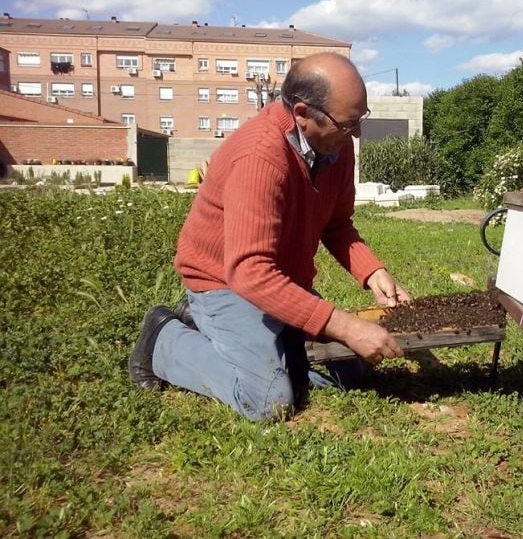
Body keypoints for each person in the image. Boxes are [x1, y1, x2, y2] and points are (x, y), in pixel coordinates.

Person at [129, 53, 410, 421]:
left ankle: (241, 339)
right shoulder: (259, 156)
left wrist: (372, 272)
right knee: (268, 401)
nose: (356, 134)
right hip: (226, 283)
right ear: (302, 113)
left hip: (280, 282)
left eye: (360, 120)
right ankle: (164, 339)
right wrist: (343, 324)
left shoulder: (335, 148)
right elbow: (250, 272)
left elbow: (337, 225)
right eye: (347, 124)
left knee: (350, 372)